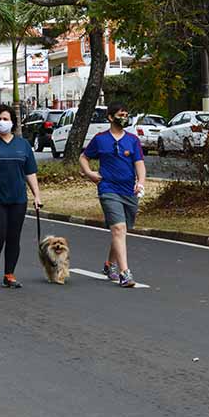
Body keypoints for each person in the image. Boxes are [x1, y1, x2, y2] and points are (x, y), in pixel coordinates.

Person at [79, 102, 146, 288]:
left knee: (122, 230)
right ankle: (125, 273)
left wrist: (140, 182)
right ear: (110, 117)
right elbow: (83, 157)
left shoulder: (132, 140)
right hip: (108, 188)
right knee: (118, 229)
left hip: (128, 190)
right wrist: (90, 173)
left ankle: (110, 264)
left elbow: (139, 164)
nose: (124, 117)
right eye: (120, 114)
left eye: (126, 114)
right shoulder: (100, 139)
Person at [0, 105, 41, 288]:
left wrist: (37, 195)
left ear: (13, 122)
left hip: (18, 198)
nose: (2, 122)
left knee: (14, 236)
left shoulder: (23, 145)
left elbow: (30, 172)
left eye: (6, 119)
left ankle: (9, 274)